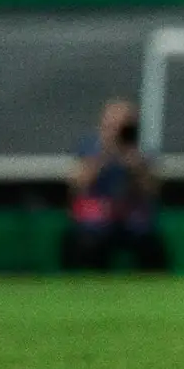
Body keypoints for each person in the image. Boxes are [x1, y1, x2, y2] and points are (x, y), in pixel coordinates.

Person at [63, 99, 167, 271]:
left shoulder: (140, 151)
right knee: (86, 242)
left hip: (131, 219)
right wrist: (103, 154)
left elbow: (152, 191)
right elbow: (78, 185)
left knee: (148, 244)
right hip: (97, 219)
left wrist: (135, 165)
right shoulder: (90, 148)